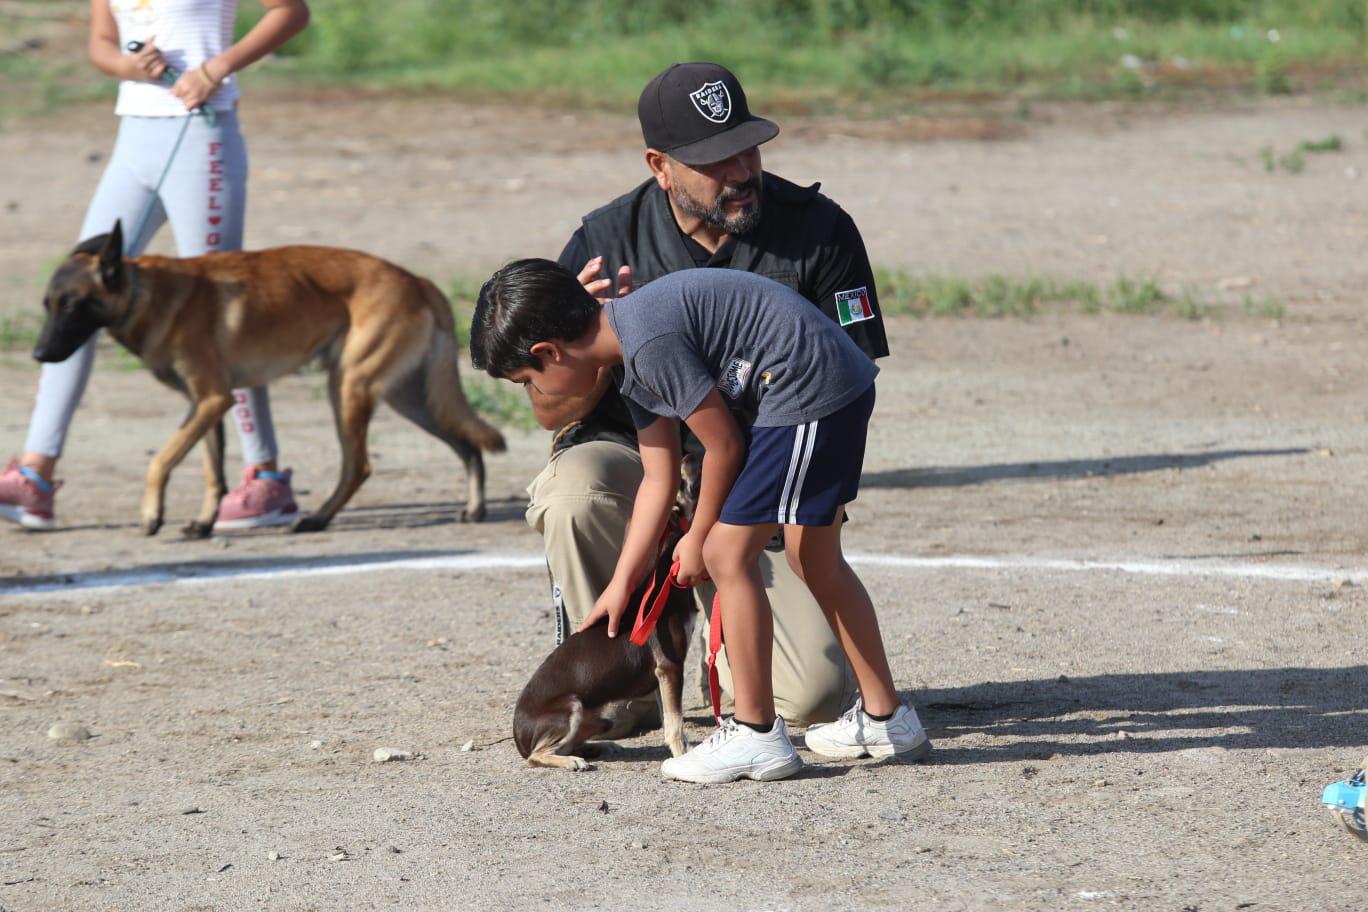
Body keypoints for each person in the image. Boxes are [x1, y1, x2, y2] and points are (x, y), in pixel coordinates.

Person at [527, 62, 890, 730]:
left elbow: (847, 385)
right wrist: (592, 347)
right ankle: (620, 681)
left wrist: (796, 511)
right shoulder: (603, 242)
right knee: (573, 490)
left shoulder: (819, 230)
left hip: (761, 463)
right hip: (640, 457)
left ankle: (733, 674)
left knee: (809, 701)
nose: (743, 171)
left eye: (748, 149)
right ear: (659, 166)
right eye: (715, 162)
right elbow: (547, 406)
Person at [473, 260, 931, 783]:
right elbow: (658, 476)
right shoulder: (629, 348)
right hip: (825, 386)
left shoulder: (647, 341)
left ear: (548, 353)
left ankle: (756, 735)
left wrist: (696, 536)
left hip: (807, 387)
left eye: (528, 380)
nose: (538, 392)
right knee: (813, 559)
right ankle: (887, 719)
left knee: (723, 554)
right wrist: (621, 584)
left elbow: (725, 444)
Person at [0, 0, 310, 532]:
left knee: (223, 312)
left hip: (201, 135)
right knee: (77, 293)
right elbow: (102, 43)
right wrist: (128, 66)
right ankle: (36, 474)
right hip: (134, 138)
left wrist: (214, 69)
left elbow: (291, 13)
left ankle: (265, 476)